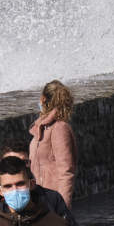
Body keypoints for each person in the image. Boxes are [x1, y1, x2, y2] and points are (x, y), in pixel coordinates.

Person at [30, 79, 77, 208]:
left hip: (51, 202)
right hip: (38, 200)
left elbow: (66, 172)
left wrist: (63, 209)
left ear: (43, 99)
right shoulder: (41, 127)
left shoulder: (59, 129)